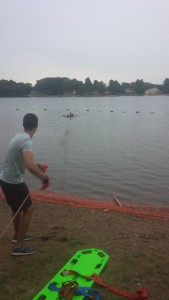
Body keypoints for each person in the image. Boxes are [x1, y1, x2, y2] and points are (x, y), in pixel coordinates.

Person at [0, 113, 50, 256]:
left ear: (24, 124)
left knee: (17, 209)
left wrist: (38, 166)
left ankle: (17, 236)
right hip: (14, 182)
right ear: (36, 126)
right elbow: (29, 165)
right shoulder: (27, 140)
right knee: (28, 209)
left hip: (5, 180)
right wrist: (44, 178)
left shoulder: (19, 137)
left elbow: (22, 161)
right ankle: (19, 246)